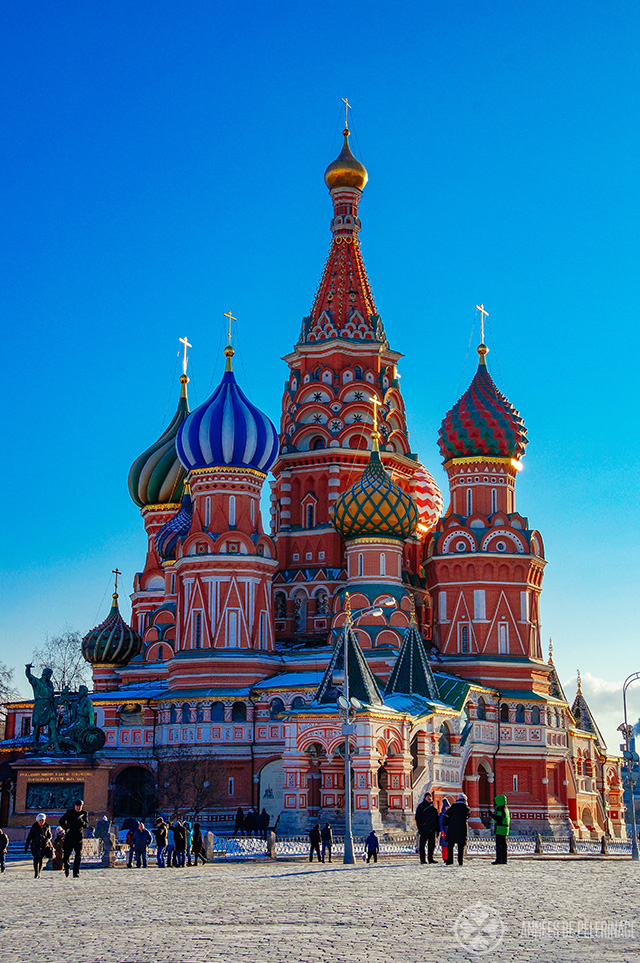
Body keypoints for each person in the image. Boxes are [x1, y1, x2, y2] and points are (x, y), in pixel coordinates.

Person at [60, 798, 88, 878]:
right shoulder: (69, 812)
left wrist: (82, 821)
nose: (78, 808)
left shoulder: (84, 813)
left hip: (78, 837)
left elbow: (86, 825)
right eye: (77, 806)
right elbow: (61, 821)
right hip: (69, 836)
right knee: (66, 855)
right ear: (74, 806)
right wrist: (66, 828)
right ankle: (67, 866)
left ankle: (76, 872)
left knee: (78, 855)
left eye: (80, 806)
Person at [444, 793, 470, 866]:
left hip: (452, 828)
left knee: (450, 845)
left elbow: (448, 813)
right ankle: (460, 861)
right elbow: (468, 816)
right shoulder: (466, 808)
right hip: (462, 829)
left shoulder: (454, 807)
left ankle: (450, 861)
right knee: (461, 846)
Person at [25, 813, 52, 878]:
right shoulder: (34, 827)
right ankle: (36, 873)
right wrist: (26, 847)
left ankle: (39, 871)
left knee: (41, 859)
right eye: (40, 820)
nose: (41, 822)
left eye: (43, 820)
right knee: (36, 858)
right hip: (35, 845)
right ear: (37, 821)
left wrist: (47, 840)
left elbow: (49, 835)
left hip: (43, 845)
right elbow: (29, 837)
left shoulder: (47, 826)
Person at [415, 791, 440, 864]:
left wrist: (437, 830)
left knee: (431, 845)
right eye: (428, 797)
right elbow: (418, 818)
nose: (429, 798)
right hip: (424, 829)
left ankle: (430, 858)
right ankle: (422, 859)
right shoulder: (421, 806)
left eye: (430, 797)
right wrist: (420, 828)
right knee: (422, 845)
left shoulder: (433, 807)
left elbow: (436, 819)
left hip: (432, 829)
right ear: (425, 798)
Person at [489, 794, 511, 864]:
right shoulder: (506, 809)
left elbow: (499, 818)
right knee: (504, 845)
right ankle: (504, 859)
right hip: (505, 828)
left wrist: (492, 815)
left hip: (500, 829)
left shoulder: (500, 809)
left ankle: (499, 859)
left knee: (499, 845)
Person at [439, 797, 450, 863]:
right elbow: (440, 823)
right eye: (446, 807)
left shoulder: (450, 814)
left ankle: (448, 857)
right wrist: (442, 831)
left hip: (449, 831)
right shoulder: (442, 814)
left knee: (449, 846)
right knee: (444, 846)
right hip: (444, 831)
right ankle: (445, 858)